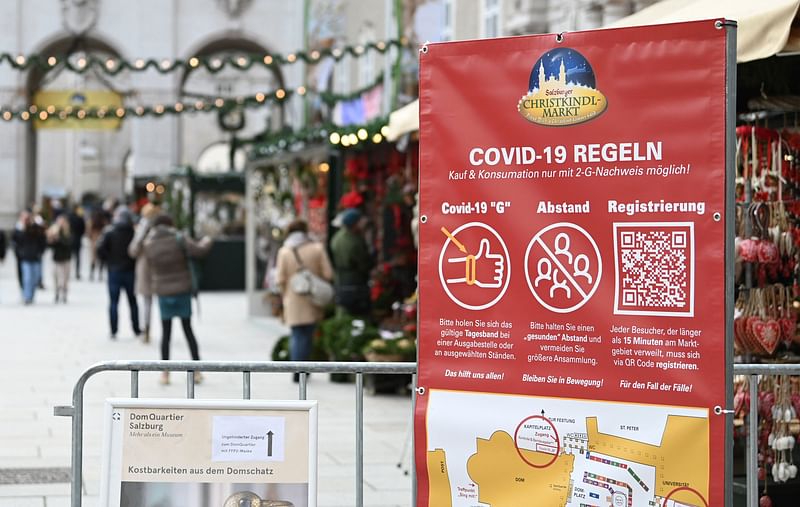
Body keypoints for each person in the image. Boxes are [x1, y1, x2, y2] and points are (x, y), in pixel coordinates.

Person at [143, 214, 212, 385]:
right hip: (182, 290)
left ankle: (165, 373)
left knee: (166, 333)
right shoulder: (179, 238)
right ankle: (196, 370)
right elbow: (199, 251)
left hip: (163, 292)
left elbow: (146, 264)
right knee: (188, 330)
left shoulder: (149, 244)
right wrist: (208, 240)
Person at [275, 219, 333, 380]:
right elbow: (328, 274)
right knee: (308, 334)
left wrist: (285, 295)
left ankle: (297, 370)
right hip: (312, 297)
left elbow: (279, 279)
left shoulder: (284, 252)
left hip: (293, 299)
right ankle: (303, 368)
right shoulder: (317, 248)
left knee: (296, 334)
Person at [96, 206, 141, 339]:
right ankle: (136, 328)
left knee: (114, 302)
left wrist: (108, 260)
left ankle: (114, 330)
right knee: (132, 301)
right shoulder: (132, 233)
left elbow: (100, 249)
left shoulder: (110, 232)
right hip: (129, 271)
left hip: (114, 270)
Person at [127, 202, 161, 343]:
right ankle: (152, 328)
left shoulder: (144, 226)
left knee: (147, 300)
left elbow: (133, 248)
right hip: (159, 265)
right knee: (155, 299)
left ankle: (146, 329)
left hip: (146, 265)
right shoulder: (160, 227)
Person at [330, 208, 373, 317]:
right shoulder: (354, 241)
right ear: (355, 224)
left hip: (341, 280)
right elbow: (364, 264)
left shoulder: (337, 237)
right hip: (355, 282)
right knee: (357, 314)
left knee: (343, 311)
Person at [12, 210, 46, 304]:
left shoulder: (35, 228)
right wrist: (19, 253)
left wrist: (40, 252)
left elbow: (42, 239)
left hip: (35, 257)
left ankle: (31, 295)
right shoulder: (19, 229)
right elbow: (16, 241)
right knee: (26, 278)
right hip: (25, 257)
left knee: (34, 279)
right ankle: (27, 297)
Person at [47, 215, 72, 303]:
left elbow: (69, 244)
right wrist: (51, 239)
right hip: (56, 258)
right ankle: (57, 293)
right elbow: (50, 245)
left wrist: (59, 239)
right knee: (56, 277)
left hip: (65, 258)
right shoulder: (54, 231)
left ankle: (64, 293)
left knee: (64, 278)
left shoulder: (68, 232)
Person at [88, 207, 108, 281]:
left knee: (93, 259)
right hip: (101, 242)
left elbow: (88, 232)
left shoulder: (91, 221)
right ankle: (100, 274)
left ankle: (91, 274)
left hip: (93, 241)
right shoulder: (103, 222)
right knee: (101, 259)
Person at [67, 205, 86, 279]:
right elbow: (83, 229)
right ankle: (77, 273)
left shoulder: (70, 217)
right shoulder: (80, 218)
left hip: (71, 239)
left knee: (70, 257)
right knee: (77, 257)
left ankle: (69, 272)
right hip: (77, 239)